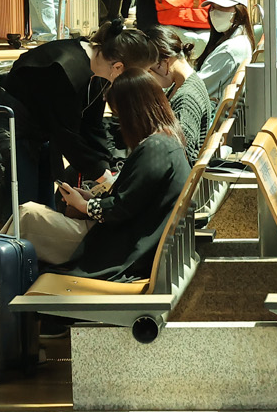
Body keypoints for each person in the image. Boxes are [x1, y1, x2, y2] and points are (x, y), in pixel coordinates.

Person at [0, 19, 159, 234]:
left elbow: (92, 127)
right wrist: (104, 177)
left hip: (38, 134)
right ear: (119, 67)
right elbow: (67, 136)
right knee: (10, 214)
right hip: (6, 134)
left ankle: (28, 265)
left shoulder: (100, 70)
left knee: (40, 210)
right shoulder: (64, 68)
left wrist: (107, 169)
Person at [16, 72, 193, 276]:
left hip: (115, 247)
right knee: (29, 215)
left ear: (133, 112)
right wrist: (91, 199)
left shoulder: (155, 148)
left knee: (27, 216)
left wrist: (83, 205)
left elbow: (121, 208)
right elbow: (133, 200)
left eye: (120, 114)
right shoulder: (167, 142)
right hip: (124, 239)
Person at [150, 27, 215, 161]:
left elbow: (181, 153)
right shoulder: (187, 82)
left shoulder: (186, 98)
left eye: (149, 71)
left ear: (164, 63)